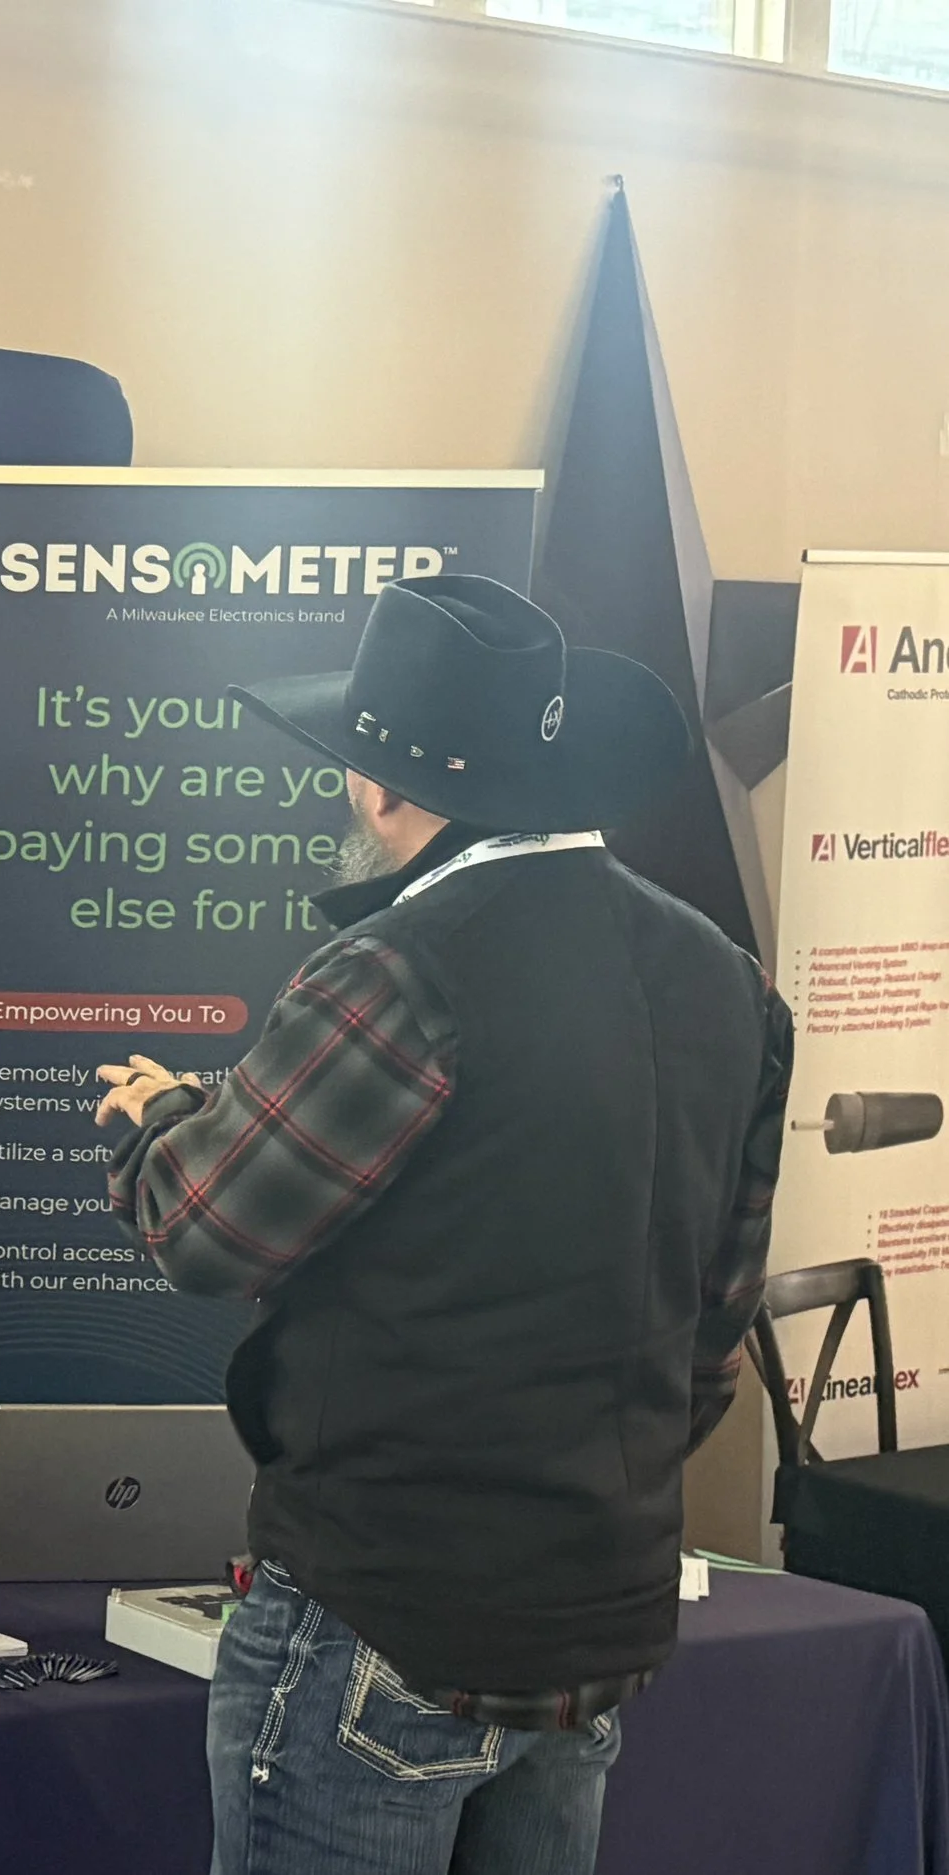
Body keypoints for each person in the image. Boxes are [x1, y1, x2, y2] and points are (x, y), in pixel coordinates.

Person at [94, 576, 789, 1875]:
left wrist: (152, 1122)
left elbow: (206, 1226)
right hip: (593, 1624)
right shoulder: (729, 980)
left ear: (378, 785)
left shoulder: (406, 967)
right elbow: (714, 1324)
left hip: (387, 1613)